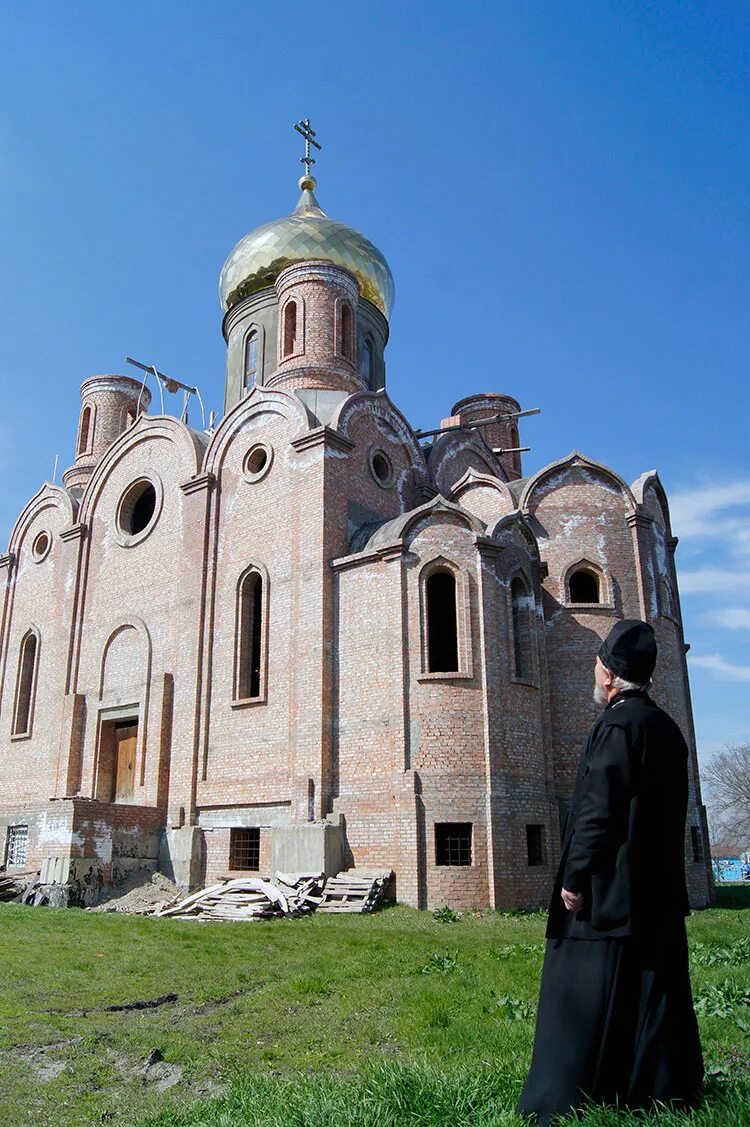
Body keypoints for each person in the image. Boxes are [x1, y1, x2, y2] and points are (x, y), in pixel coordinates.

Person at [517, 619, 704, 1124]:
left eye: (596, 665)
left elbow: (599, 810)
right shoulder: (666, 727)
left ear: (608, 677)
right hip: (658, 893)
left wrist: (575, 878)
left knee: (580, 995)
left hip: (610, 894)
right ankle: (662, 1092)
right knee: (653, 993)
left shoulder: (618, 726)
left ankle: (562, 1102)